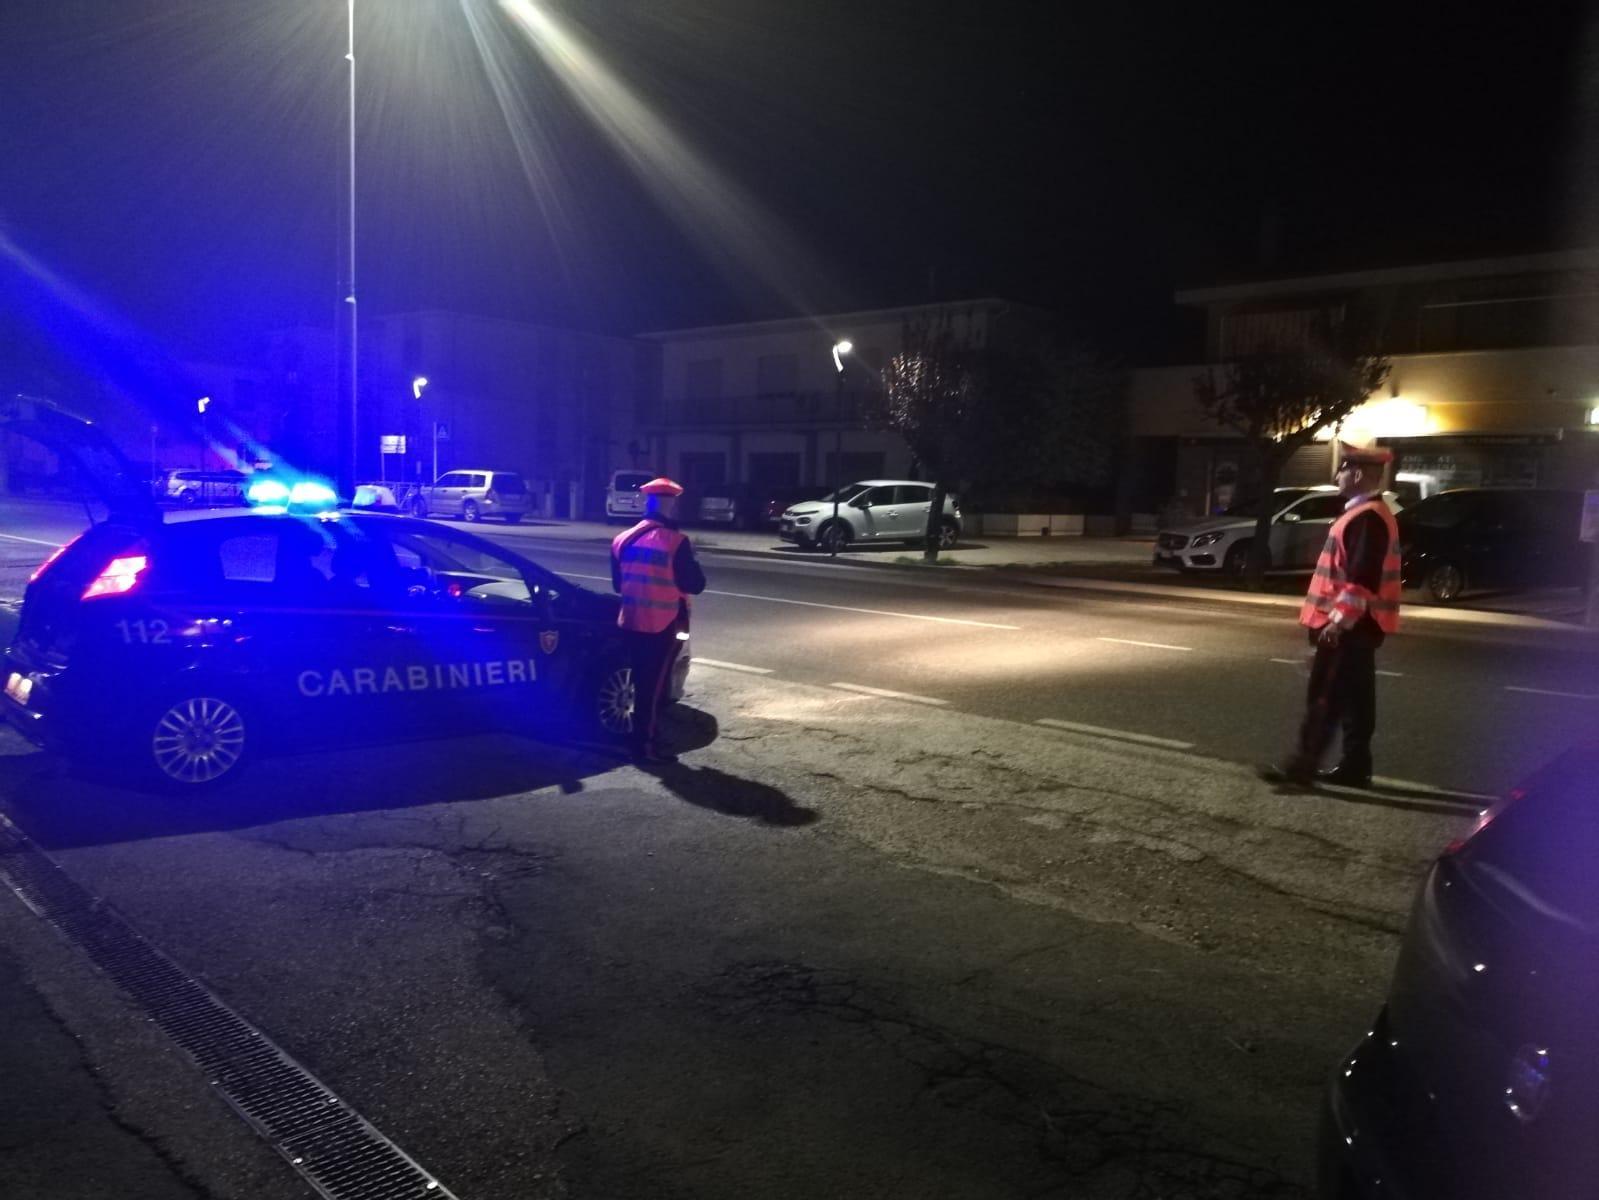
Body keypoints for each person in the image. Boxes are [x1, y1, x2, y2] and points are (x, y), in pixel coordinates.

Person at [1259, 444, 1401, 789]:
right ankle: (1355, 767)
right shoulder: (1371, 514)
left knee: (1325, 697)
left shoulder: (1366, 518)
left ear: (1356, 473)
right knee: (1355, 699)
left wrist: (1338, 623)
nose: (1336, 476)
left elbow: (1360, 579)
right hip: (1361, 626)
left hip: (1348, 627)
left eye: (1341, 469)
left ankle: (1302, 769)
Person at [610, 477, 706, 764]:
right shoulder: (676, 542)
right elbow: (695, 584)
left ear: (647, 503)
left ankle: (638, 738)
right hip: (664, 625)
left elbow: (618, 585)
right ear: (669, 503)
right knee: (655, 688)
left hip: (630, 622)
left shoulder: (622, 539)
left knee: (641, 683)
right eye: (674, 502)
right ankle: (645, 746)